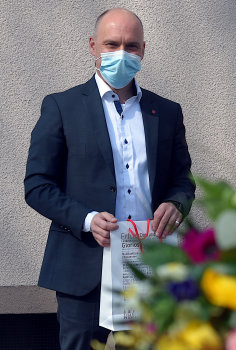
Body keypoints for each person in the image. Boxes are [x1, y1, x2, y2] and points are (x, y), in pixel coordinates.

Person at [24, 8, 195, 349]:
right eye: (112, 43)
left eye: (131, 46)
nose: (122, 53)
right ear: (93, 46)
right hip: (84, 261)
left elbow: (182, 180)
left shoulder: (167, 111)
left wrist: (176, 204)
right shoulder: (62, 106)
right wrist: (87, 220)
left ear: (143, 50)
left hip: (146, 261)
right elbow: (37, 186)